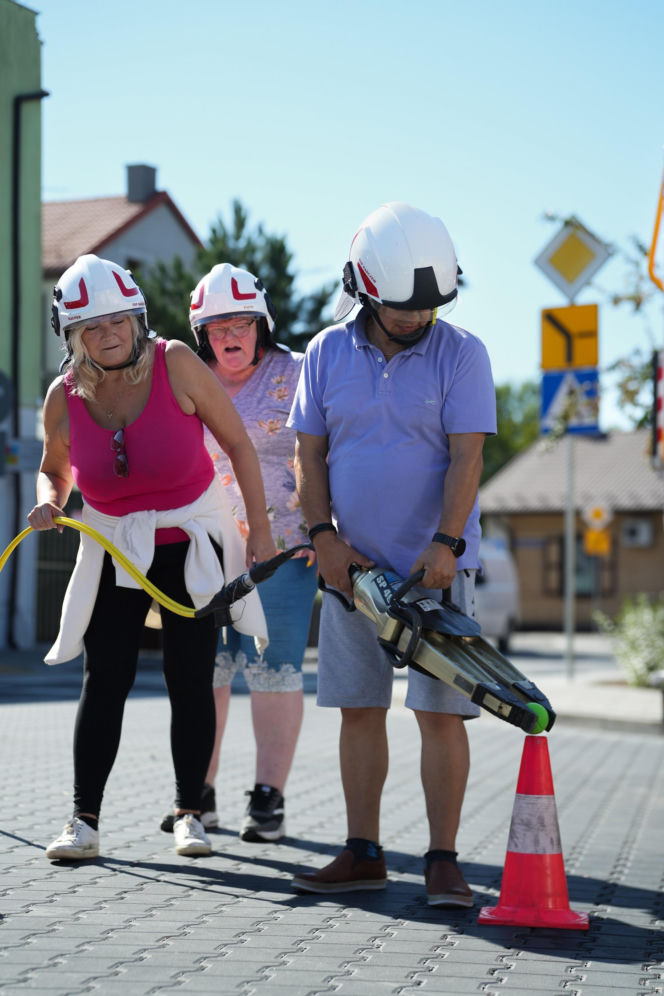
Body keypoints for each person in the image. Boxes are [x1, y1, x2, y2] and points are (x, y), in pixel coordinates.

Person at [30, 254, 274, 861]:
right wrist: (47, 502)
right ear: (72, 337)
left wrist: (260, 530)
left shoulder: (176, 363)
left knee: (188, 677)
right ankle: (83, 821)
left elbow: (240, 446)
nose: (109, 333)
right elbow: (52, 471)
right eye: (93, 326)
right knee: (104, 676)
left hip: (189, 540)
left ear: (136, 317)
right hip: (115, 544)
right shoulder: (62, 396)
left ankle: (190, 811)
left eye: (118, 319)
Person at [287, 203, 496, 907]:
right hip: (354, 571)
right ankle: (364, 852)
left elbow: (467, 457)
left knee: (439, 714)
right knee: (358, 709)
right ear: (364, 286)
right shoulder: (324, 353)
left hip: (436, 569)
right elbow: (307, 456)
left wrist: (446, 544)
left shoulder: (463, 352)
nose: (416, 317)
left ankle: (442, 859)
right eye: (401, 305)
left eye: (430, 304)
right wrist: (322, 537)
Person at [159, 263, 317, 842]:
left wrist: (327, 529)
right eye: (217, 323)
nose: (230, 334)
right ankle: (197, 795)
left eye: (242, 322)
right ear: (201, 331)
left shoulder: (298, 372)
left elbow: (327, 453)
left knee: (273, 672)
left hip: (283, 550)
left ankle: (268, 798)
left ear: (262, 323)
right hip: (199, 547)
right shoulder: (184, 378)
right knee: (205, 673)